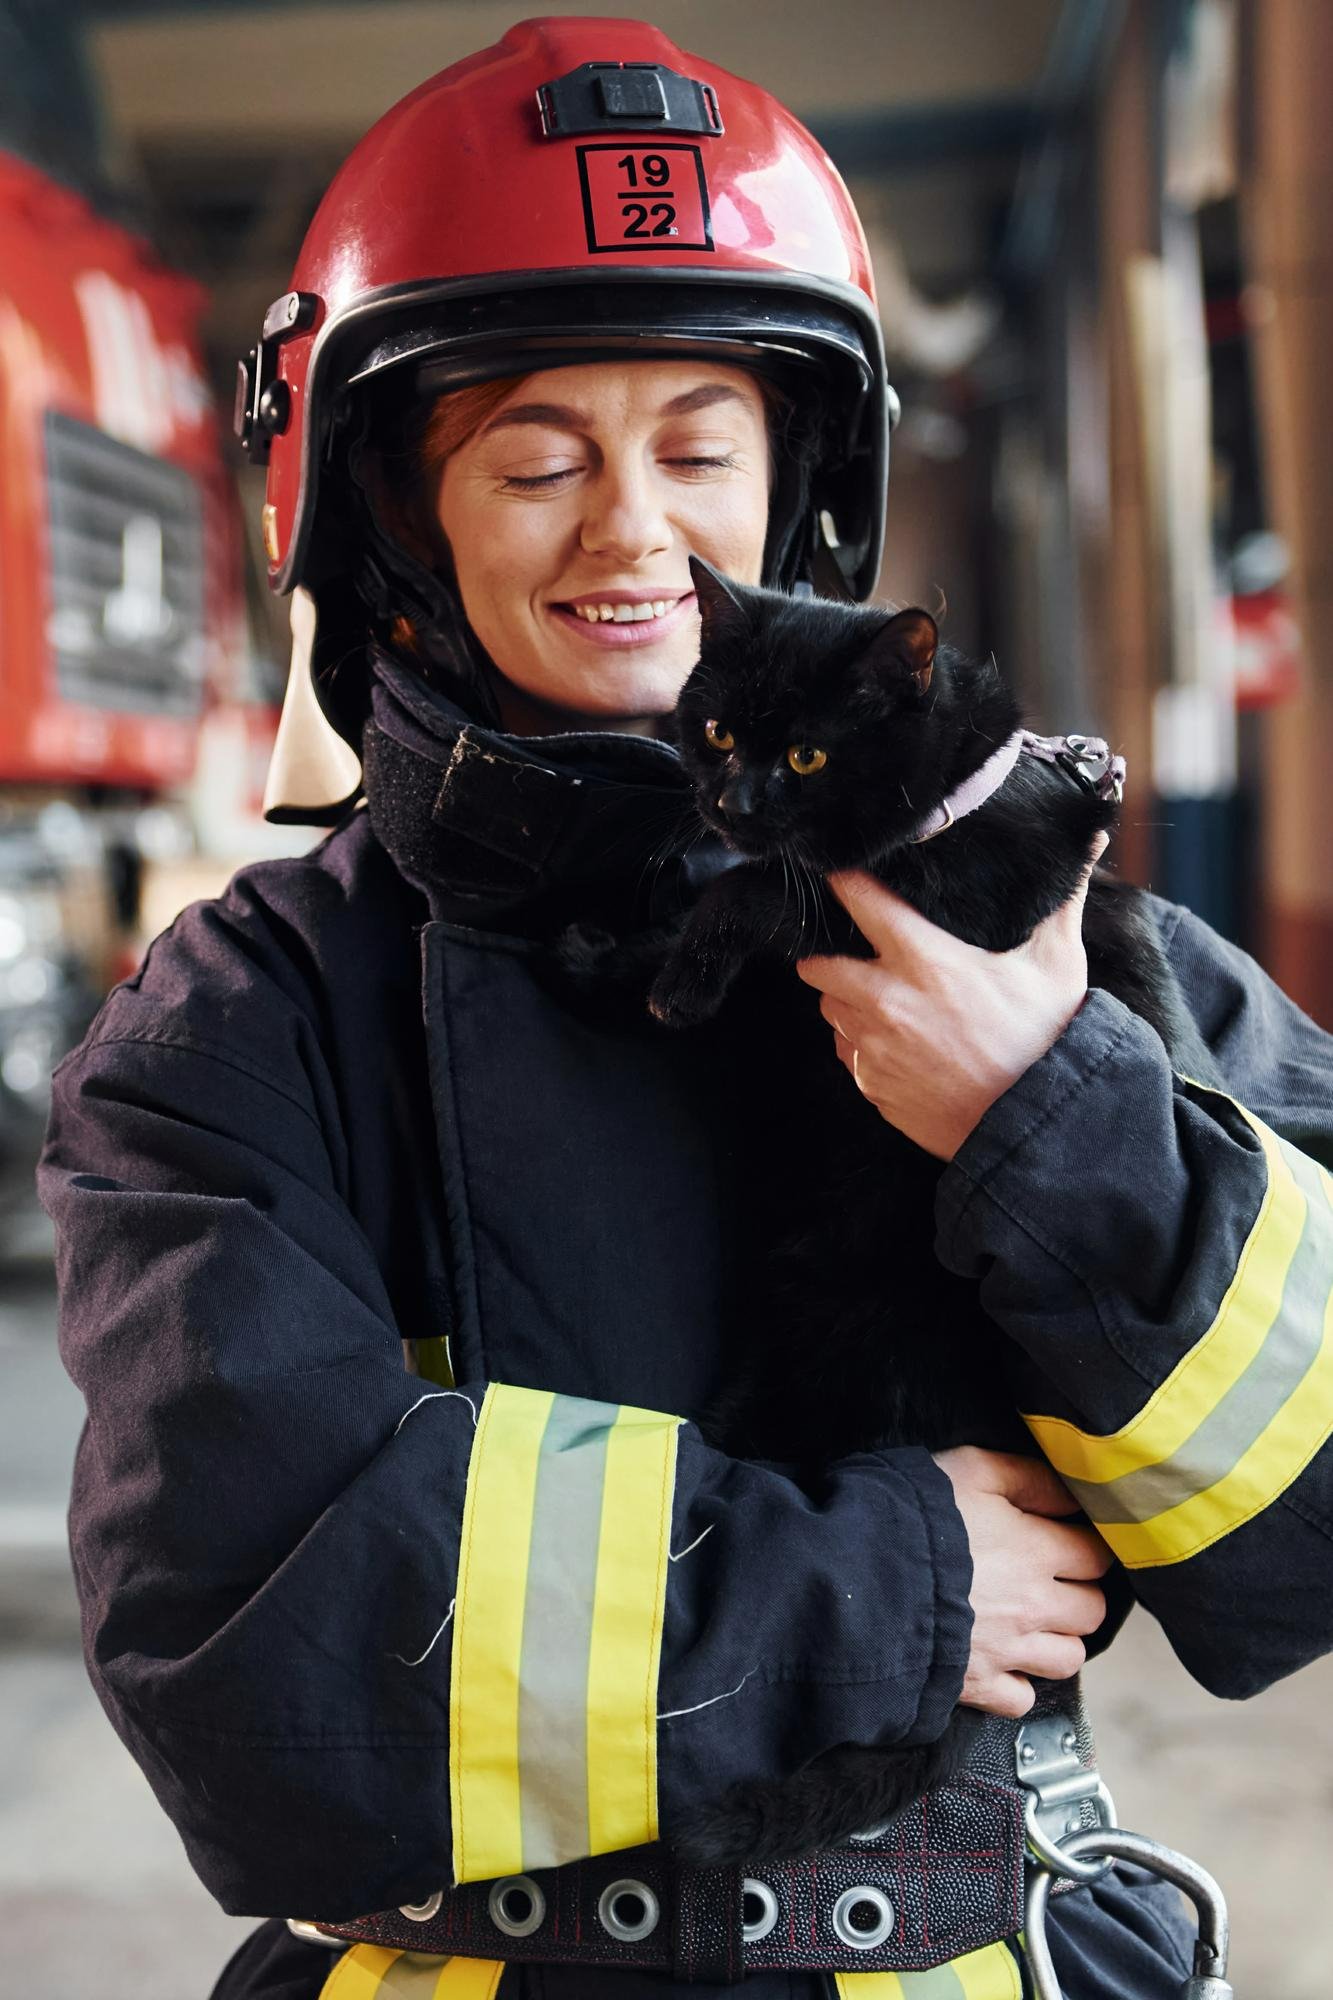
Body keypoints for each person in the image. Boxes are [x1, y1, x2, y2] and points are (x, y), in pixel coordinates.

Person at [38, 19, 1333, 2000]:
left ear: (799, 486)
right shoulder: (248, 1024)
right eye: (536, 458)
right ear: (391, 520)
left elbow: (1306, 1521)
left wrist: (1051, 1119)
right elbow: (248, 1659)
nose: (630, 529)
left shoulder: (1034, 938)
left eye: (699, 448)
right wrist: (890, 1584)